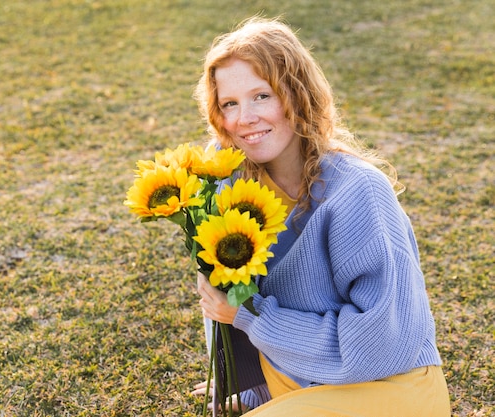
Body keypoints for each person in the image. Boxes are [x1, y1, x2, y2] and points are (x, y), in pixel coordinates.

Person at [191, 16, 451, 416]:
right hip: (292, 382)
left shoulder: (358, 192)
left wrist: (252, 318)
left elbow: (380, 344)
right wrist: (251, 386)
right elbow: (223, 295)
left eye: (262, 95)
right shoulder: (226, 186)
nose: (245, 117)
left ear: (296, 94)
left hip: (385, 387)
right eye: (230, 103)